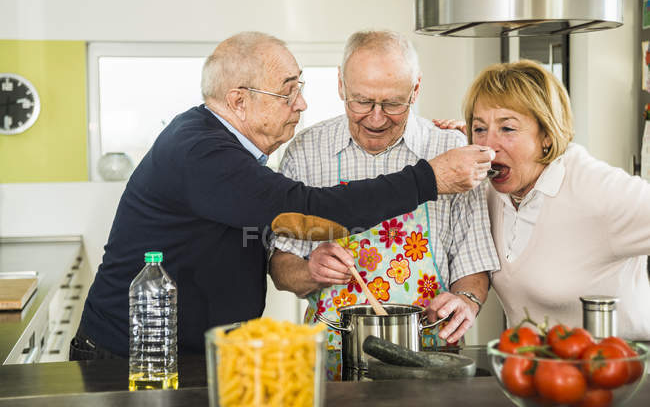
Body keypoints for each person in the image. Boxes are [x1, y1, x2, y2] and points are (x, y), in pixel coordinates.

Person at [70, 31, 495, 360]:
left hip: (189, 351)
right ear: (239, 100)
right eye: (288, 91)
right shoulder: (202, 152)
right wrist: (427, 179)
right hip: (137, 355)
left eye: (300, 86)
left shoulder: (227, 146)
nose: (303, 103)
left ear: (415, 92)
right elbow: (308, 213)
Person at [269, 30, 500, 379]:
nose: (376, 119)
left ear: (416, 89)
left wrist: (465, 300)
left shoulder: (449, 150)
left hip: (429, 356)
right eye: (361, 101)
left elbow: (474, 259)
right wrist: (308, 271)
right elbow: (281, 266)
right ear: (341, 85)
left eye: (393, 104)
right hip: (331, 358)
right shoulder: (306, 151)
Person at [456, 59, 650, 339]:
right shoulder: (490, 193)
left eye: (507, 129)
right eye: (480, 129)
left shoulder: (595, 188)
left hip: (622, 373)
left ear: (546, 135)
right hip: (540, 371)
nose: (488, 147)